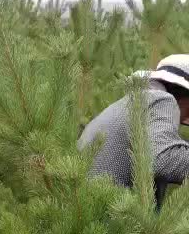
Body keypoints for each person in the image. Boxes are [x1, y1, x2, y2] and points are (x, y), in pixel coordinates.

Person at [78, 54, 189, 207]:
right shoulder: (162, 100)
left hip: (85, 216)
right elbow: (162, 159)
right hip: (106, 223)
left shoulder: (129, 103)